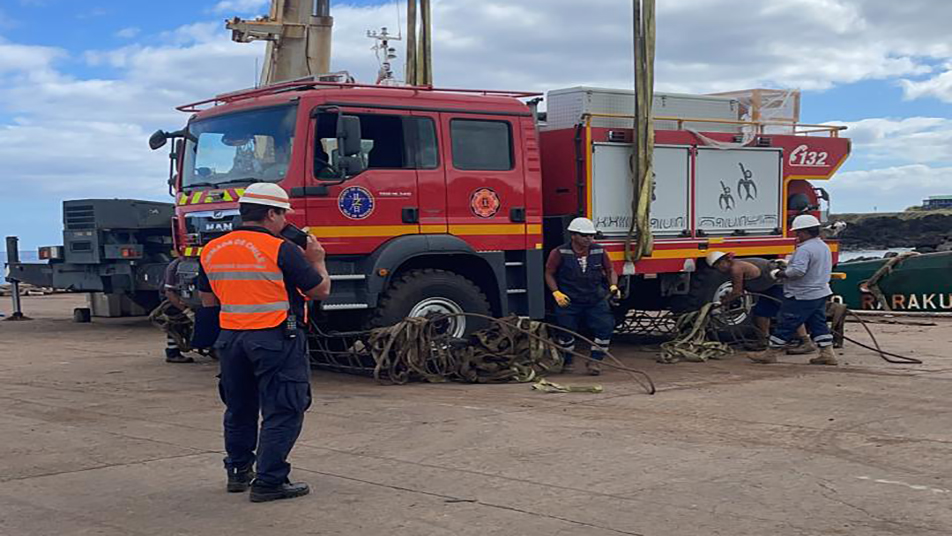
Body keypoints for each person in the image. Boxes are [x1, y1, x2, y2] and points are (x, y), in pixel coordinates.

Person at [198, 182, 331, 503]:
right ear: (271, 213)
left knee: (239, 408)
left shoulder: (212, 249)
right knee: (284, 408)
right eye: (283, 214)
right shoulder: (280, 248)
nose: (286, 221)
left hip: (230, 340)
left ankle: (239, 471)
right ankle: (270, 481)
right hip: (274, 337)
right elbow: (319, 291)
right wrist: (317, 259)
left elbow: (207, 300)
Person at [749, 214, 837, 365]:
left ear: (805, 232)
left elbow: (798, 272)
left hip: (803, 294)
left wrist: (780, 274)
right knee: (818, 323)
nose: (796, 236)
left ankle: (770, 353)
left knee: (786, 323)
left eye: (798, 232)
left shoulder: (805, 249)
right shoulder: (822, 246)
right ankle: (827, 353)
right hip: (820, 292)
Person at [544, 217, 621, 376]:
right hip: (569, 300)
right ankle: (568, 360)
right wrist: (556, 292)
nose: (589, 239)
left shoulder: (599, 251)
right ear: (573, 235)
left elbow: (610, 270)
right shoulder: (559, 252)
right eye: (584, 235)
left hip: (594, 299)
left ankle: (595, 361)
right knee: (566, 332)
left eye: (591, 235)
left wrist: (613, 285)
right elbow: (549, 273)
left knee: (605, 327)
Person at [707, 251, 815, 354]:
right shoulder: (734, 267)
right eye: (716, 267)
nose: (719, 269)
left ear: (726, 260)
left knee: (790, 312)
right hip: (766, 287)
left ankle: (806, 341)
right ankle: (763, 341)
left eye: (719, 265)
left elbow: (737, 292)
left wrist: (721, 303)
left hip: (777, 284)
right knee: (761, 313)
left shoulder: (736, 268)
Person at [161, 257, 194, 363]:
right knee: (175, 320)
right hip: (172, 297)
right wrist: (186, 311)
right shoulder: (174, 267)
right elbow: (169, 292)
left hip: (189, 296)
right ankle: (172, 352)